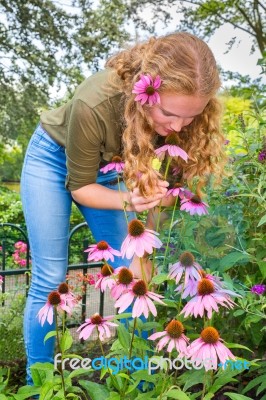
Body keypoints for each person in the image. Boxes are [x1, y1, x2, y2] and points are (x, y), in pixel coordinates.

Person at [21, 31, 226, 386]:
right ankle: (39, 388)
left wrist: (151, 219)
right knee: (50, 277)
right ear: (147, 92)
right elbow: (82, 186)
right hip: (52, 159)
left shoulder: (180, 122)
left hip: (113, 166)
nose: (178, 127)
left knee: (137, 274)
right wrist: (130, 199)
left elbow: (159, 206)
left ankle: (141, 385)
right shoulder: (95, 101)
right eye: (170, 114)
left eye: (190, 117)